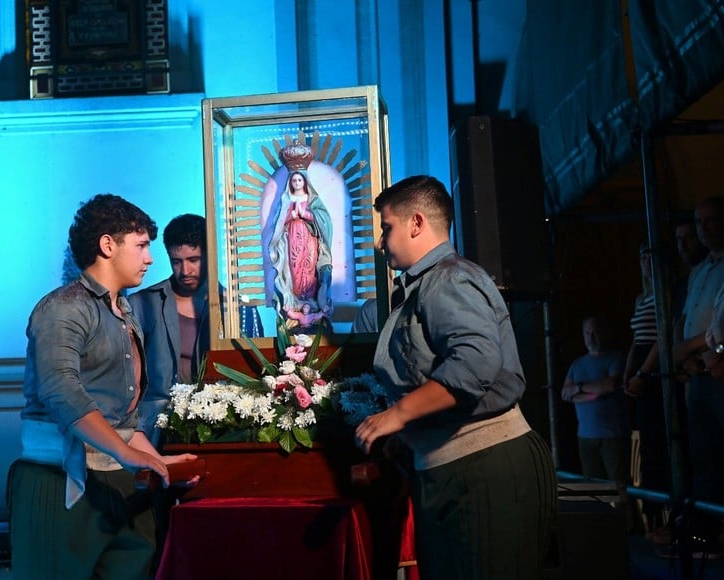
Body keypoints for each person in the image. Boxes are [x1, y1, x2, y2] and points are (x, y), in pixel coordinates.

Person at [354, 175, 557, 580]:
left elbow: (474, 364)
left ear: (415, 223)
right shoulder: (430, 283)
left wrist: (398, 415)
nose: (380, 242)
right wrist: (408, 434)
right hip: (456, 470)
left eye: (386, 227)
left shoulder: (448, 279)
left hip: (484, 470)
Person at [7, 194, 198, 580]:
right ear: (108, 245)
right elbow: (61, 390)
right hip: (59, 480)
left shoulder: (124, 311)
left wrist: (159, 463)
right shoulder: (63, 307)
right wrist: (128, 454)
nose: (150, 258)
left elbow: (123, 415)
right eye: (142, 246)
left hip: (119, 484)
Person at [128, 213, 263, 447]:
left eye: (194, 259)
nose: (185, 270)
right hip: (157, 428)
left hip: (225, 426)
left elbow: (259, 376)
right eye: (176, 261)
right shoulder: (143, 304)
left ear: (210, 256)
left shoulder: (240, 311)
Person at [672, 195, 724, 554]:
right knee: (703, 453)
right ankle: (706, 532)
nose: (703, 229)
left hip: (719, 370)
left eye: (709, 221)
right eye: (698, 222)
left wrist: (692, 350)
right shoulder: (699, 270)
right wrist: (686, 359)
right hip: (699, 374)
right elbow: (688, 318)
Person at [623, 243, 671, 538]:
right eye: (641, 258)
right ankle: (651, 518)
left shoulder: (664, 294)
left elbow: (661, 336)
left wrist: (644, 372)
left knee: (658, 441)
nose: (645, 263)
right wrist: (629, 373)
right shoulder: (642, 298)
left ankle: (665, 516)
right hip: (640, 364)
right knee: (644, 442)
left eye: (650, 258)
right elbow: (636, 339)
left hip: (654, 369)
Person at [561, 315, 629, 487]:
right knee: (593, 490)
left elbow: (610, 385)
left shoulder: (616, 358)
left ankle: (622, 515)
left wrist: (578, 389)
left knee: (619, 489)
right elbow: (566, 393)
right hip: (585, 437)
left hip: (612, 437)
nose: (591, 337)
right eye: (587, 333)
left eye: (595, 332)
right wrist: (591, 391)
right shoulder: (577, 364)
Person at [266, 167, 334, 325]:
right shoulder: (286, 200)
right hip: (293, 238)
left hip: (309, 238)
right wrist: (292, 216)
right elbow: (279, 223)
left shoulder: (312, 199)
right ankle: (296, 299)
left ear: (305, 181)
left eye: (299, 180)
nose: (297, 183)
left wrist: (306, 215)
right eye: (294, 180)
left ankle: (311, 298)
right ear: (290, 183)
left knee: (309, 265)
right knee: (294, 266)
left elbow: (324, 219)